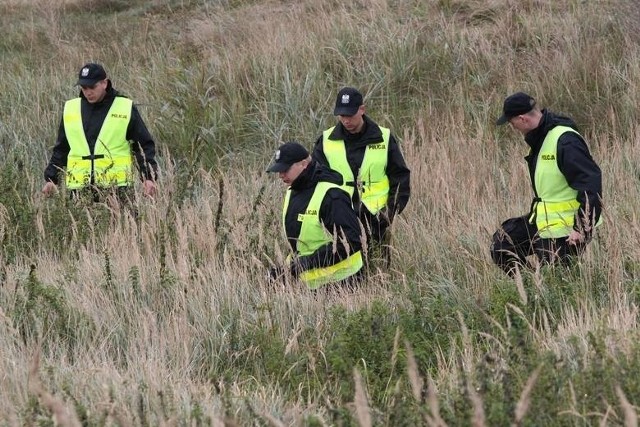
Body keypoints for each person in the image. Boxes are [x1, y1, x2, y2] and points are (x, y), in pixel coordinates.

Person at [490, 92, 603, 276]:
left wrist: (581, 227)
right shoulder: (542, 137)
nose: (513, 128)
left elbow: (590, 182)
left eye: (512, 123)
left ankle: (544, 293)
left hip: (565, 229)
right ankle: (530, 290)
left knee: (556, 281)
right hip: (543, 221)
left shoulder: (565, 140)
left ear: (522, 119)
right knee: (503, 244)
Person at [312, 87, 410, 265]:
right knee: (347, 270)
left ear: (362, 110)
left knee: (380, 268)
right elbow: (316, 180)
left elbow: (400, 178)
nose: (346, 120)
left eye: (350, 115)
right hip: (341, 216)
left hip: (377, 218)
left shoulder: (384, 138)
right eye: (342, 115)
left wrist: (388, 213)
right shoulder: (325, 141)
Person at [42, 63, 157, 203]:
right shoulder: (71, 109)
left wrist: (148, 177)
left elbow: (143, 145)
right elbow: (61, 148)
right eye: (84, 88)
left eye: (92, 87)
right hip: (80, 188)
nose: (88, 92)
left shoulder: (124, 107)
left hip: (117, 188)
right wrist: (51, 178)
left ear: (104, 83)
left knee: (119, 225)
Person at [267, 141, 364, 289]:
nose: (281, 175)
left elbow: (352, 242)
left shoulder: (332, 196)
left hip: (342, 284)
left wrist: (306, 263)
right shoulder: (292, 192)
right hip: (311, 285)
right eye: (279, 170)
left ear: (304, 164)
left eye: (285, 169)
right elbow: (303, 243)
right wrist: (285, 270)